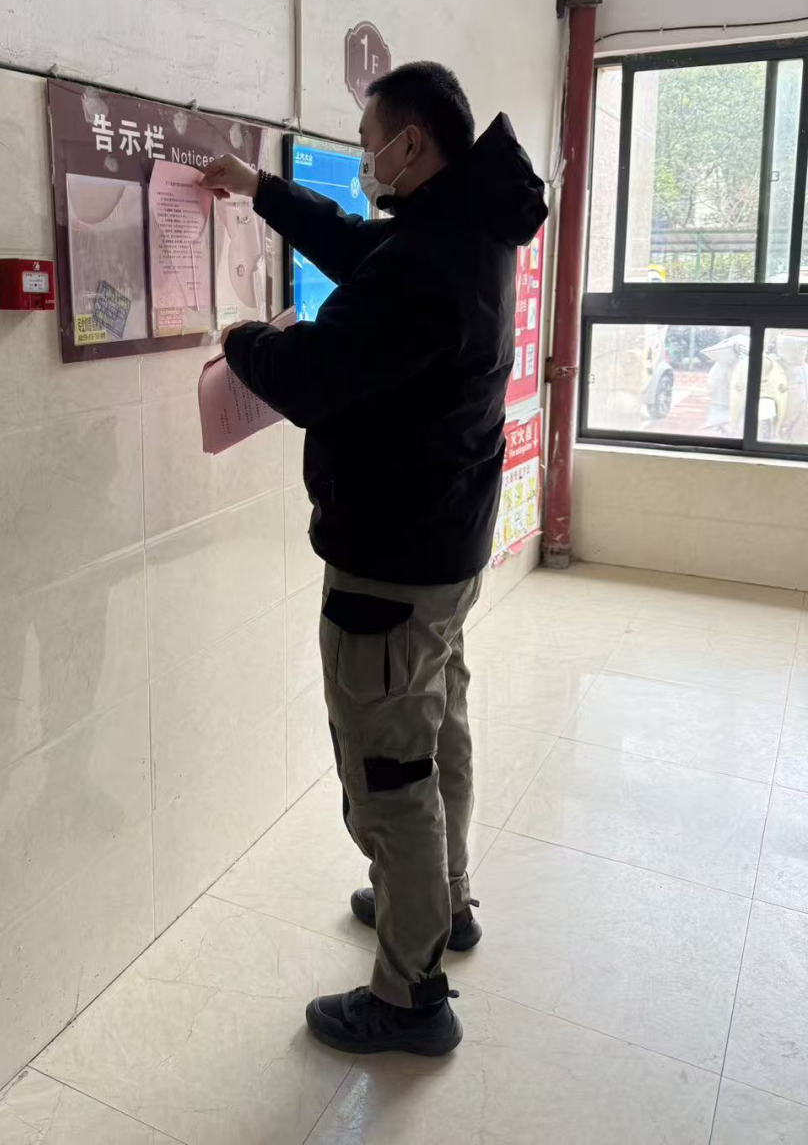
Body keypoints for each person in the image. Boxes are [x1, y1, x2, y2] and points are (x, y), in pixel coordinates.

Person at [199, 61, 547, 1057]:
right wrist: (262, 189)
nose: (363, 160)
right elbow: (363, 250)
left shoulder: (431, 261)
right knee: (436, 734)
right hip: (444, 549)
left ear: (412, 144)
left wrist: (243, 340)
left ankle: (410, 997)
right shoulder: (467, 228)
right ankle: (444, 902)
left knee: (388, 774)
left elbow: (312, 376)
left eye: (368, 143)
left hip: (390, 567)